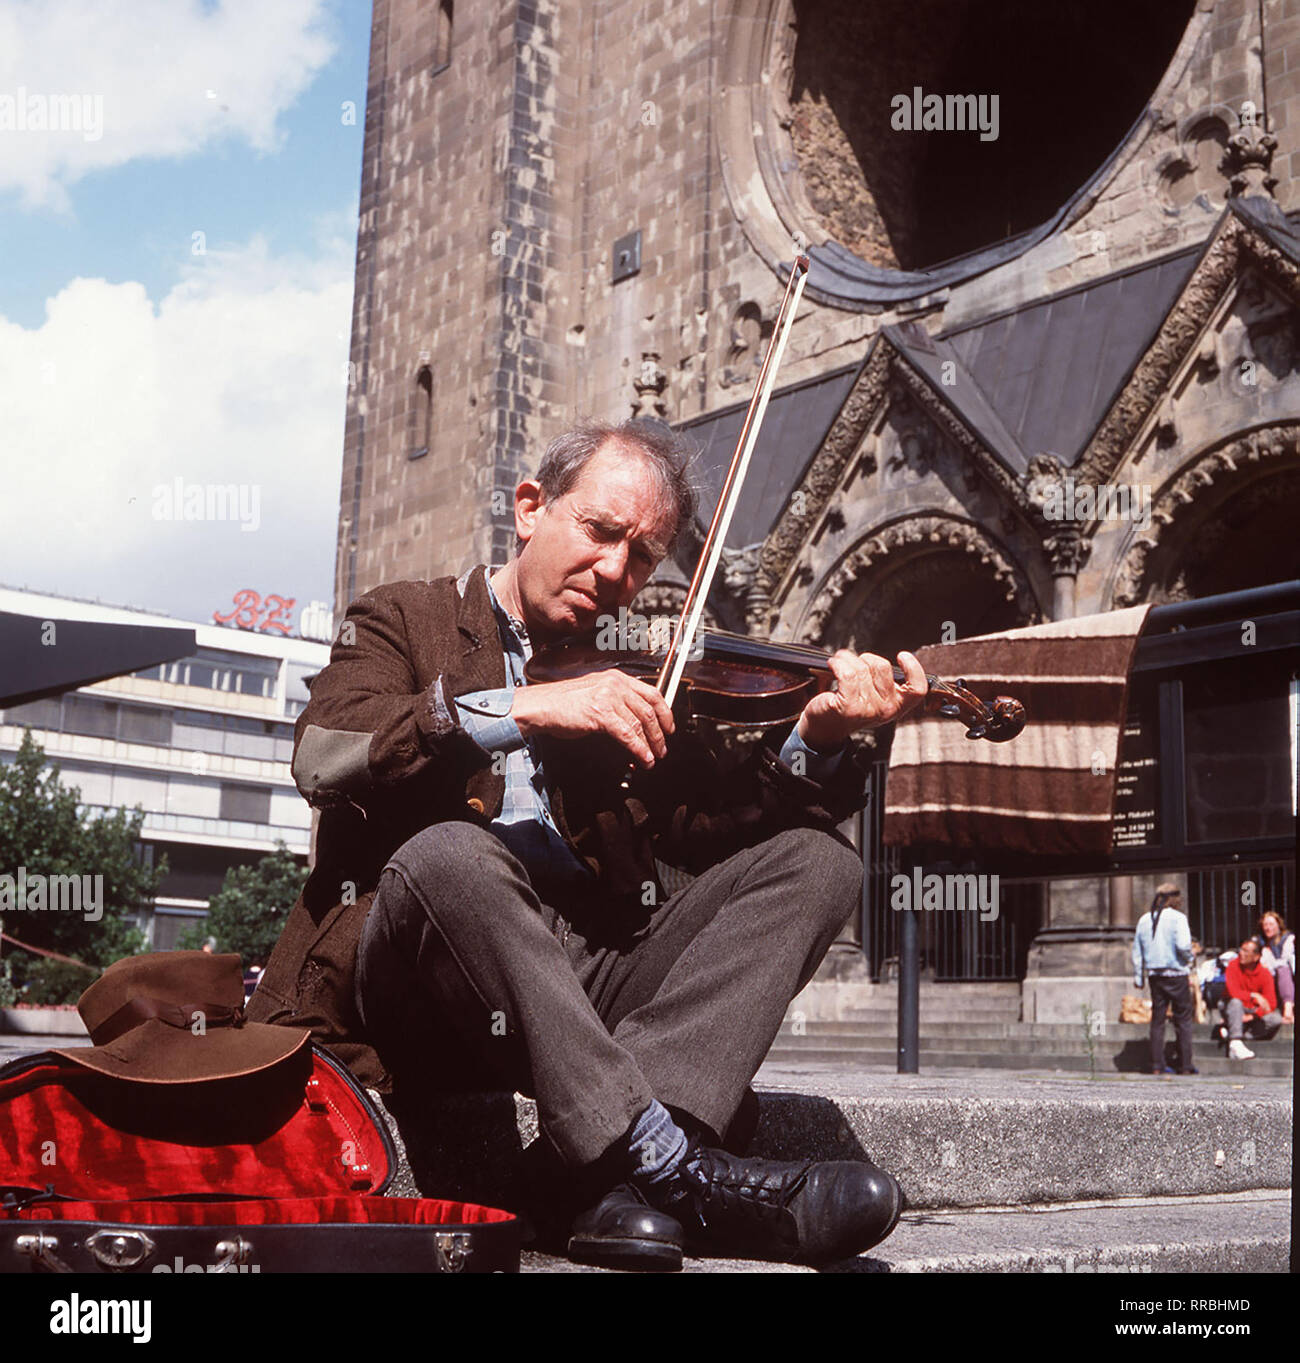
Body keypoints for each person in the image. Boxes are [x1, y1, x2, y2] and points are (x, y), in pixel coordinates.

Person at [247, 418, 928, 1271]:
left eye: (642, 557)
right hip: (419, 980)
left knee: (821, 859)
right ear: (531, 507)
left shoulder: (619, 675)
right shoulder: (403, 617)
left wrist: (817, 737)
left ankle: (607, 1170)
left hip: (573, 988)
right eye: (601, 532)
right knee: (451, 853)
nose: (616, 573)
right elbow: (324, 755)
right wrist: (518, 709)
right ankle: (673, 1167)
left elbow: (720, 823)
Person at [1131, 883, 1195, 1075]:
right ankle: (1185, 1065)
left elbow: (1137, 951)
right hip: (1176, 973)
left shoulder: (1144, 920)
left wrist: (1138, 976)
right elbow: (1183, 945)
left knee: (1158, 1019)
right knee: (1182, 1019)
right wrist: (1190, 959)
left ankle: (1157, 1064)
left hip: (1155, 975)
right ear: (1175, 899)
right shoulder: (1178, 918)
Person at [1220, 938, 1282, 1060]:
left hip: (1252, 1012)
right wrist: (1254, 995)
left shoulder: (1265, 974)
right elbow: (1233, 992)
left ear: (1256, 956)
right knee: (1235, 1002)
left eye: (1246, 951)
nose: (1241, 954)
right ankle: (1236, 1040)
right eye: (1241, 950)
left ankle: (1237, 1035)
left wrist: (1254, 1015)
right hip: (1233, 1007)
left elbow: (1271, 1003)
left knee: (1275, 1019)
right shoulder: (1233, 965)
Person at [1255, 912, 1295, 1025]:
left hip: (1289, 975)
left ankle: (1288, 1009)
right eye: (1265, 925)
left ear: (1279, 925)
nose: (1268, 928)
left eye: (1271, 924)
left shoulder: (1288, 939)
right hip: (1271, 976)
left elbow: (1285, 959)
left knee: (1282, 969)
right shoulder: (1261, 943)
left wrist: (1270, 962)